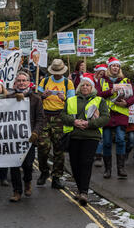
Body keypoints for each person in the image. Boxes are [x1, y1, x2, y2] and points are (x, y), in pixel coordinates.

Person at [61, 73, 110, 205]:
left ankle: (84, 192)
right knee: (74, 165)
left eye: (88, 85)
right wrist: (75, 122)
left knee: (86, 163)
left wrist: (89, 124)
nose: (85, 87)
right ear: (79, 87)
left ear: (92, 88)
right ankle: (79, 188)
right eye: (83, 85)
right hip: (74, 135)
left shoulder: (100, 100)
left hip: (91, 136)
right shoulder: (71, 100)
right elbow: (63, 116)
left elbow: (105, 118)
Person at [97, 57, 134, 179]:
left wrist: (127, 103)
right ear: (109, 68)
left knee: (121, 140)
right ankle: (108, 170)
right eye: (113, 66)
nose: (115, 68)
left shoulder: (125, 80)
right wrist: (111, 91)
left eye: (117, 66)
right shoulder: (101, 81)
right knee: (107, 143)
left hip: (121, 114)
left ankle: (121, 169)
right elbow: (97, 94)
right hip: (106, 115)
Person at [36, 59, 75, 189]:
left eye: (59, 72)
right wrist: (43, 96)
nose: (57, 74)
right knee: (42, 147)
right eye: (55, 72)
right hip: (45, 116)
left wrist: (65, 99)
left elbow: (73, 101)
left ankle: (56, 177)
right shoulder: (45, 80)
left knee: (59, 149)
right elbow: (37, 97)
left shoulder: (67, 83)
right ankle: (44, 171)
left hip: (60, 117)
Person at [7, 72, 45, 201]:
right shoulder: (9, 98)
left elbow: (40, 118)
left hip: (29, 138)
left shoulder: (36, 98)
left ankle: (27, 182)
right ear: (15, 83)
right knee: (14, 165)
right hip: (13, 138)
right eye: (19, 80)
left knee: (28, 165)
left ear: (29, 82)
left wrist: (36, 133)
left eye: (24, 80)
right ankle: (17, 191)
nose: (22, 83)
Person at [92, 64, 108, 168]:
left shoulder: (106, 83)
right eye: (100, 74)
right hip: (93, 109)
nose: (101, 76)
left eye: (104, 74)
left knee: (101, 135)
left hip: (104, 110)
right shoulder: (91, 82)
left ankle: (99, 156)